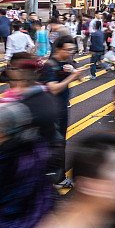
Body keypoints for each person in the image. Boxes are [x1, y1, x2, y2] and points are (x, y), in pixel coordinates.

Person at [40, 36, 81, 167]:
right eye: (68, 50)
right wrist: (72, 76)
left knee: (61, 141)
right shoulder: (50, 65)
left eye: (72, 50)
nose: (70, 53)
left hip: (62, 107)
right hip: (52, 109)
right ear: (58, 49)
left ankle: (57, 173)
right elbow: (53, 89)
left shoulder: (67, 62)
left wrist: (74, 72)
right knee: (55, 142)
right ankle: (56, 175)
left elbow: (79, 78)